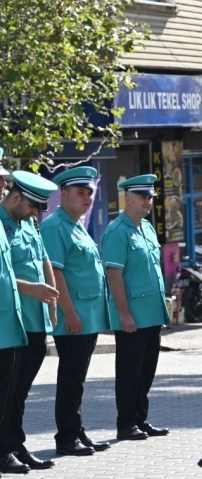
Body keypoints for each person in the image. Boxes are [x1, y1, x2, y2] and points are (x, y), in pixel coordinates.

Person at [42, 166, 113, 457]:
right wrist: (68, 312)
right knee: (71, 378)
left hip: (87, 314)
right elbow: (55, 273)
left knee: (78, 378)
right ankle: (67, 436)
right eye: (80, 193)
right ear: (64, 194)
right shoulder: (55, 226)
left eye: (89, 193)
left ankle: (77, 430)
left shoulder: (75, 224)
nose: (87, 198)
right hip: (74, 316)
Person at [101, 174, 170, 441]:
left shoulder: (147, 228)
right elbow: (114, 275)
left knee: (146, 371)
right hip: (132, 316)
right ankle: (126, 423)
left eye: (150, 197)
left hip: (152, 314)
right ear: (127, 199)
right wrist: (124, 314)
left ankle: (141, 419)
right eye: (143, 197)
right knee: (129, 372)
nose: (148, 201)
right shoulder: (117, 231)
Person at [0, 171, 60, 475]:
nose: (35, 212)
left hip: (34, 319)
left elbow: (43, 259)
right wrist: (32, 290)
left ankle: (15, 444)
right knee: (9, 391)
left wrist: (53, 304)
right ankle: (7, 448)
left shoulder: (27, 223)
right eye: (32, 205)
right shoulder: (3, 224)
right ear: (15, 197)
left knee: (20, 390)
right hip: (15, 320)